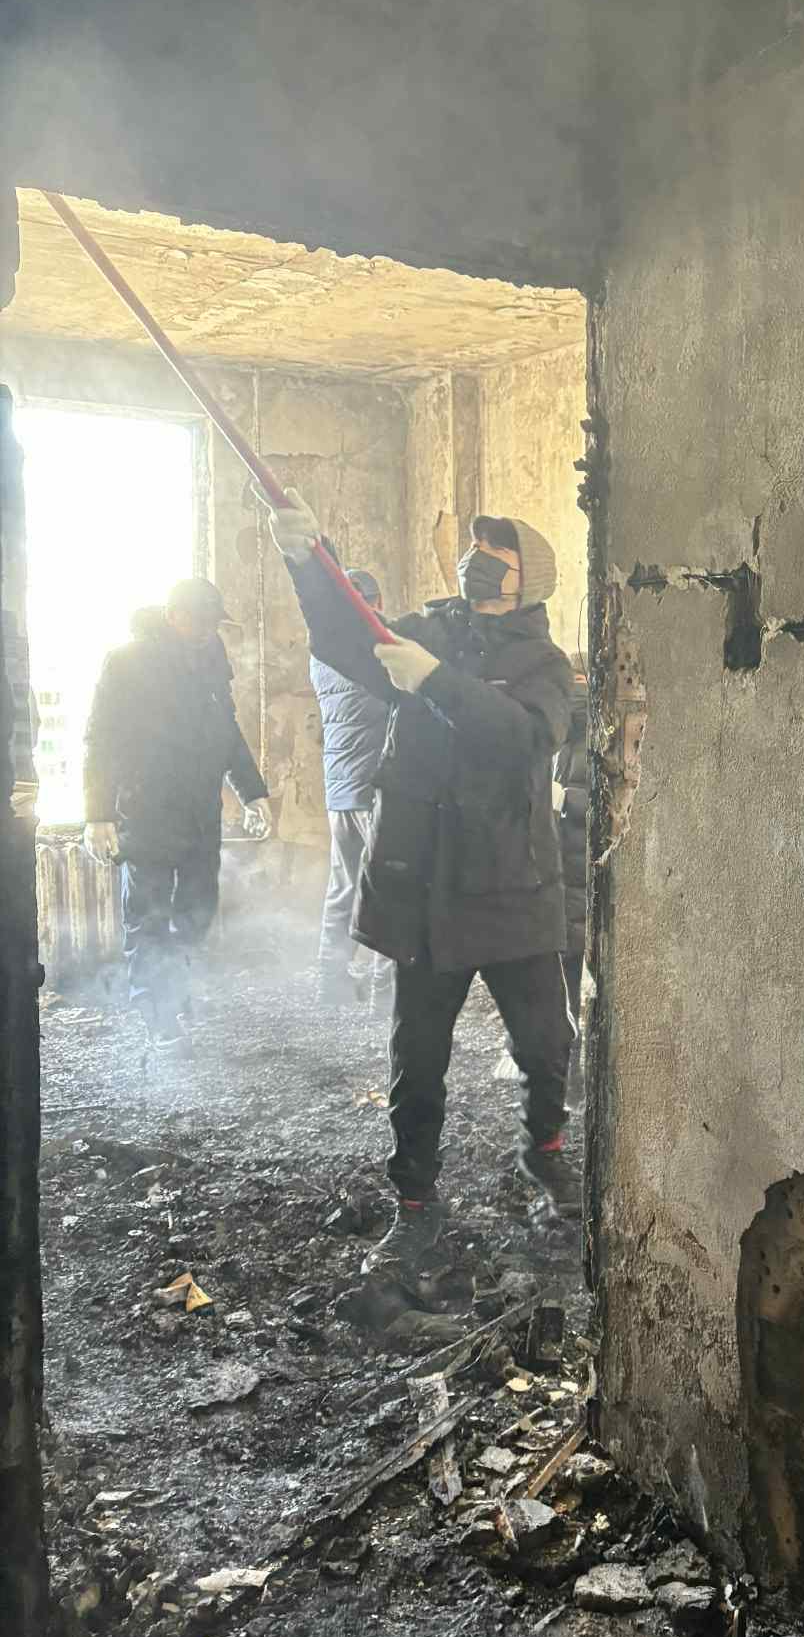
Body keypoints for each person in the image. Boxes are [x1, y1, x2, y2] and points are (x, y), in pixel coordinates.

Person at [263, 490, 576, 1276]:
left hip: (510, 886)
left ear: (528, 580)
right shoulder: (429, 629)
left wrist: (434, 681)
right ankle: (415, 1202)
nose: (477, 563)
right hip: (430, 891)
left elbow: (522, 738)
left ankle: (543, 1148)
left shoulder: (543, 664)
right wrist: (308, 560)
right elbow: (344, 641)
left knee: (546, 1043)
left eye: (496, 555)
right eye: (475, 550)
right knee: (418, 1059)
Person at [83, 578, 270, 1040]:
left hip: (200, 812)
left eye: (213, 621)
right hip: (146, 810)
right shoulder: (127, 663)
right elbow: (100, 739)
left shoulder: (211, 659)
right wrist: (97, 814)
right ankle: (159, 1015)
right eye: (199, 620)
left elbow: (227, 731)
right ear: (173, 616)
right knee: (147, 914)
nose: (207, 629)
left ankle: (176, 989)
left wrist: (253, 791)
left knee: (198, 909)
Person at [312, 565, 392, 1007]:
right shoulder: (377, 647)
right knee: (389, 888)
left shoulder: (322, 651)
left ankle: (331, 982)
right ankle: (385, 992)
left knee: (343, 885)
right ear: (376, 604)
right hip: (375, 785)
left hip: (338, 787)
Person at [552, 656, 591, 1101]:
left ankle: (572, 1075)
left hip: (570, 879)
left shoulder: (562, 737)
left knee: (569, 981)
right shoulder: (572, 740)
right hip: (570, 879)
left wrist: (563, 799)